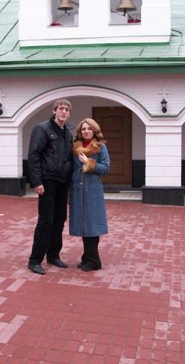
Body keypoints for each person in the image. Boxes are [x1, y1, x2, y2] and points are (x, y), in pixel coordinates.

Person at [27, 99, 74, 275]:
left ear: (69, 113)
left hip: (63, 182)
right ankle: (35, 260)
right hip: (47, 181)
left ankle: (53, 255)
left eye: (67, 109)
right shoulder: (42, 129)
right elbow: (34, 155)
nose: (63, 111)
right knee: (45, 221)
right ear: (54, 111)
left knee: (59, 219)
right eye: (61, 108)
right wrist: (37, 182)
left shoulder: (68, 132)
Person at [69, 118, 110, 271]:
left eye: (89, 128)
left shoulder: (100, 147)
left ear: (94, 130)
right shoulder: (75, 148)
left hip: (92, 191)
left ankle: (94, 261)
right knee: (82, 225)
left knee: (92, 225)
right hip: (77, 191)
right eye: (83, 129)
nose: (86, 131)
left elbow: (105, 168)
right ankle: (87, 258)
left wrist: (88, 161)